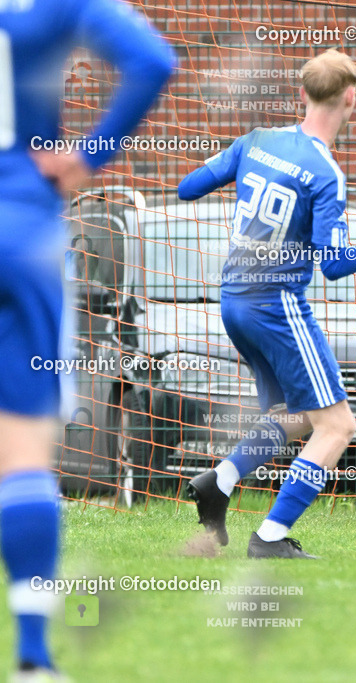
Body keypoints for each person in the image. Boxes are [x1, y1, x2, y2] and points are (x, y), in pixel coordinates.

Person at [179, 49, 356, 559]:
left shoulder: (257, 141)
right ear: (351, 97)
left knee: (297, 415)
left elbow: (187, 187)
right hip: (276, 305)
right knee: (339, 425)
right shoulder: (327, 173)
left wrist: (241, 171)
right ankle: (269, 538)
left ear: (303, 93)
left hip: (233, 302)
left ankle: (219, 481)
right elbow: (334, 265)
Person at [0, 0, 174, 676]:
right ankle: (35, 658)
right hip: (26, 229)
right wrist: (89, 155)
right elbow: (154, 60)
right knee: (23, 453)